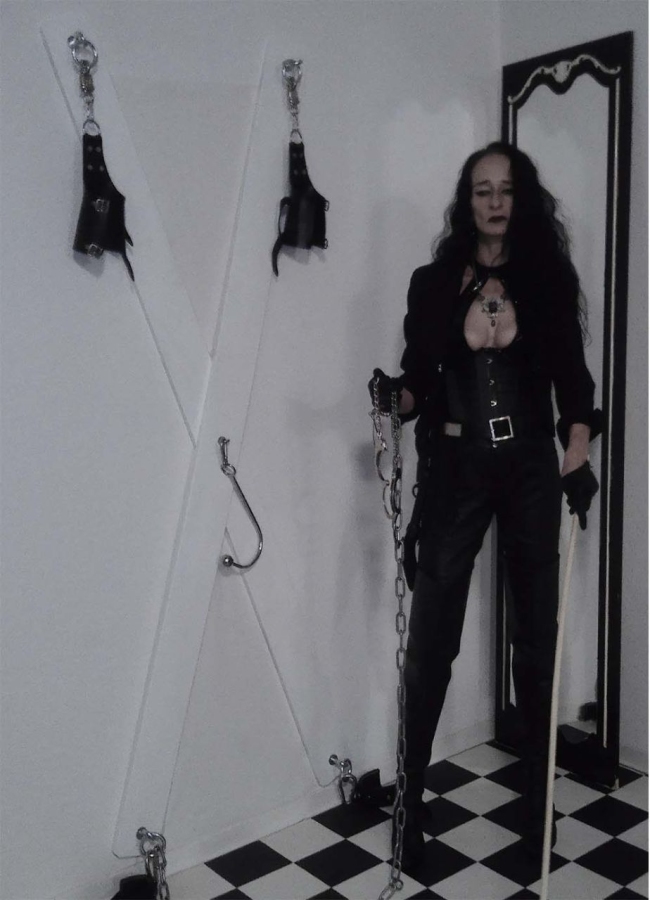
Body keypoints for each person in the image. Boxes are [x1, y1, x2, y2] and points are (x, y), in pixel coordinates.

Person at [369, 141, 600, 869]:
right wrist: (394, 398)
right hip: (457, 467)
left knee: (534, 640)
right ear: (466, 203)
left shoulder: (547, 279)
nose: (494, 202)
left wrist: (577, 452)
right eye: (481, 190)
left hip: (529, 466)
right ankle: (410, 804)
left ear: (519, 198)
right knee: (432, 638)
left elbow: (573, 381)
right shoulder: (435, 282)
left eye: (505, 190)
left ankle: (538, 803)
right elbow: (418, 380)